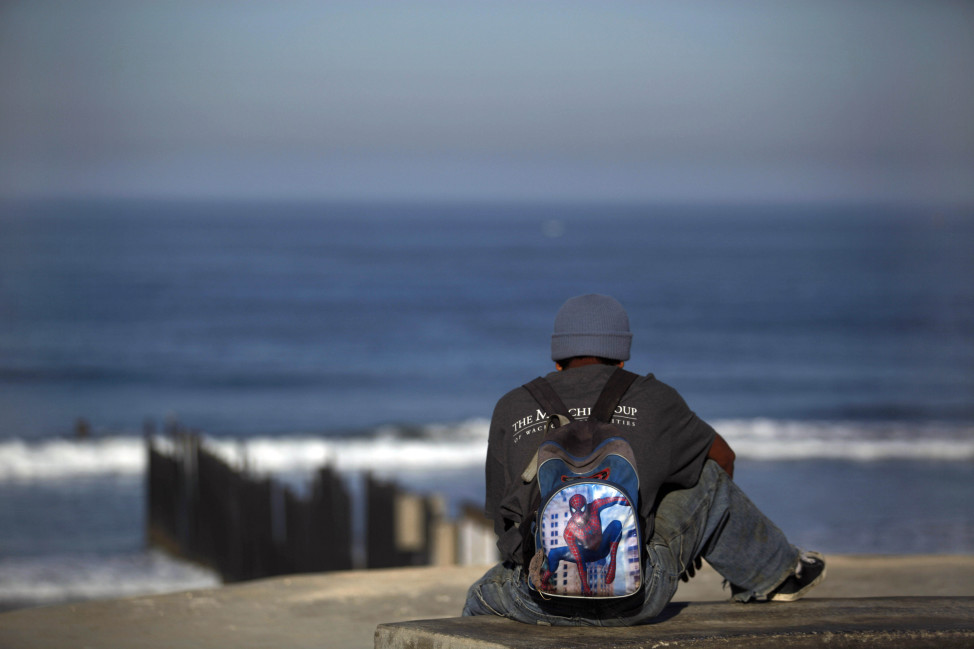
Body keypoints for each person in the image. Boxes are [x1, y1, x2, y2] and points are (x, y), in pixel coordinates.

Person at [462, 294, 825, 626]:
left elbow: (501, 520)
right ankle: (779, 573)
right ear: (622, 358)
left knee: (477, 598)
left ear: (557, 360)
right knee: (707, 472)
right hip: (638, 596)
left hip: (535, 599)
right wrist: (692, 536)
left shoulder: (510, 406)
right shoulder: (655, 398)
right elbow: (723, 460)